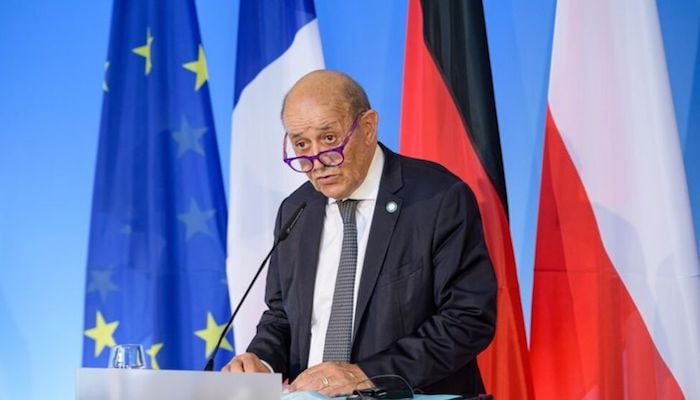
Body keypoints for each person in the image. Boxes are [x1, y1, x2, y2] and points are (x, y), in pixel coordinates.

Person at [222, 70, 497, 397]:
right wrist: (261, 363)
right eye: (300, 144)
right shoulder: (297, 210)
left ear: (367, 127)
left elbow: (468, 319)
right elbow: (282, 316)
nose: (316, 162)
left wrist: (365, 375)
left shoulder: (436, 198)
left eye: (328, 139)